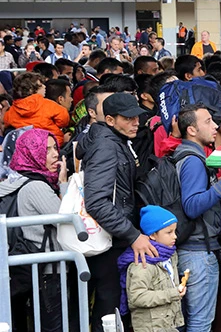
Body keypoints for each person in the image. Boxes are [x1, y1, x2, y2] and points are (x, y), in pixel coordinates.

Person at [79, 93, 153, 331]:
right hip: (109, 239)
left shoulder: (114, 140)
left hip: (113, 237)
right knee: (108, 310)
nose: (136, 122)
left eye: (137, 117)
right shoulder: (106, 145)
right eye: (128, 118)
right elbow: (97, 202)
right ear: (110, 120)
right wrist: (132, 235)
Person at [172, 103, 221, 332]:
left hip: (195, 251)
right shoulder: (192, 160)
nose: (215, 126)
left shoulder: (189, 155)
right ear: (191, 130)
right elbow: (191, 206)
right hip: (197, 253)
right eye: (208, 122)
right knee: (200, 323)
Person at [0, 128, 68, 331]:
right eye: (46, 150)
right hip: (47, 271)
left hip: (25, 270)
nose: (56, 153)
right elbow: (64, 220)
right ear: (32, 153)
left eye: (55, 147)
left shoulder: (12, 182)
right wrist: (64, 184)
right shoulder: (37, 187)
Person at [120, 206, 186, 332]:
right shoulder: (142, 264)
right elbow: (137, 297)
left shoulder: (170, 255)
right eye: (169, 232)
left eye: (175, 231)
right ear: (152, 235)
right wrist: (173, 294)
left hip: (168, 324)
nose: (175, 236)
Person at [4, 72, 70, 145]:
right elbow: (64, 119)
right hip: (51, 144)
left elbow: (6, 123)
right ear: (31, 90)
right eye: (41, 85)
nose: (44, 87)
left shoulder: (12, 110)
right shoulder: (47, 104)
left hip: (26, 146)